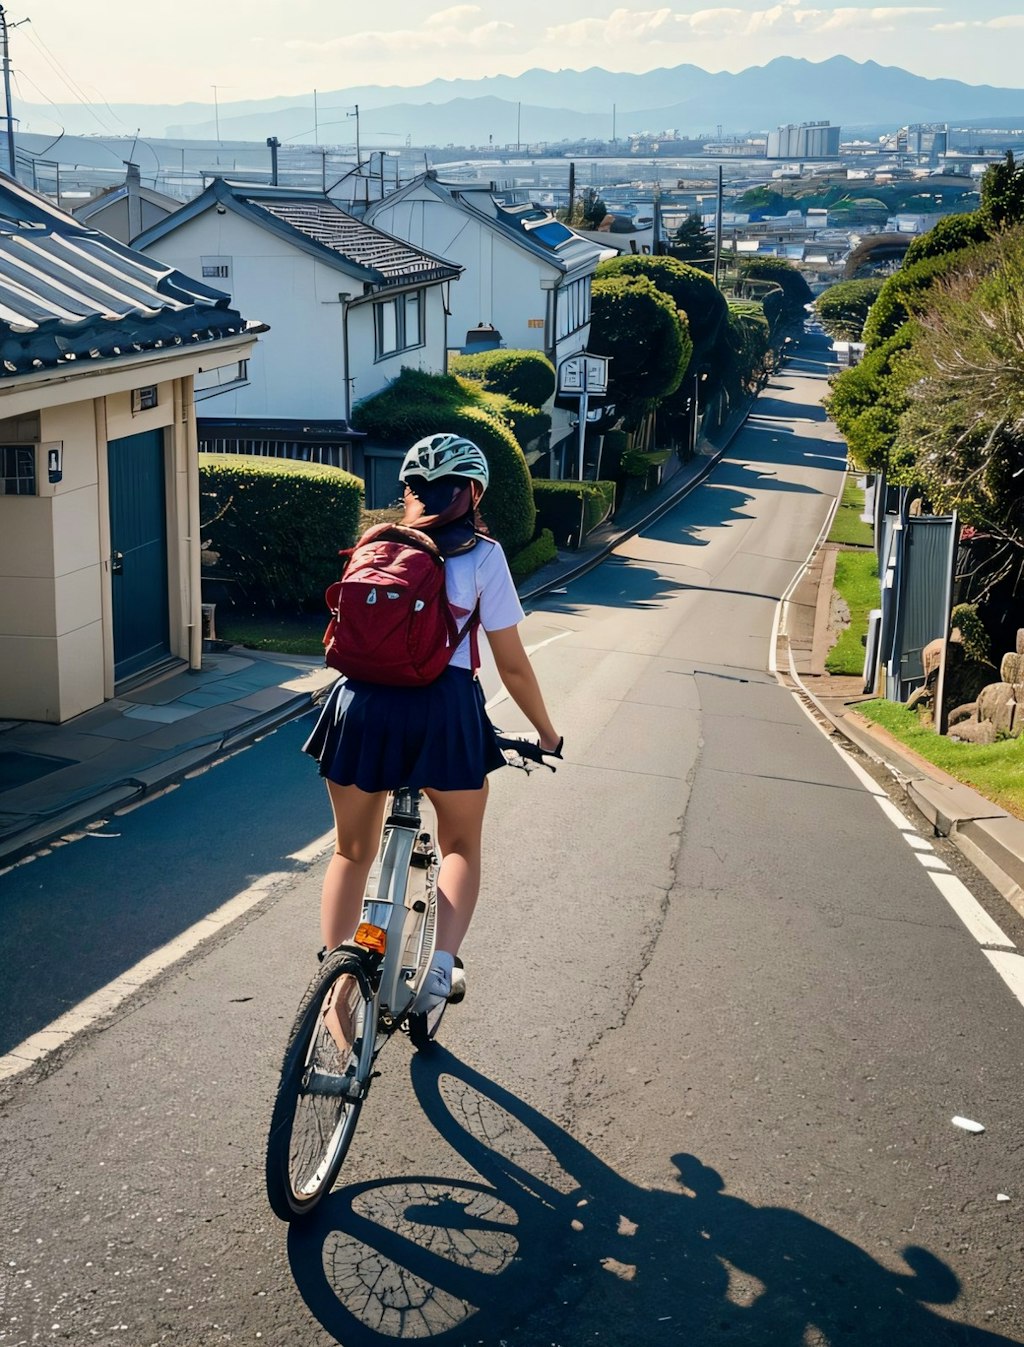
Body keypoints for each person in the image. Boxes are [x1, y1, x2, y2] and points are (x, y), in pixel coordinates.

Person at [303, 432, 562, 1015]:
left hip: (358, 706)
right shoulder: (483, 555)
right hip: (443, 712)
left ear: (409, 492)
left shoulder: (375, 543)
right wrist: (546, 732)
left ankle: (336, 986)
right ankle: (441, 966)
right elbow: (513, 665)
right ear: (472, 492)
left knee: (350, 852)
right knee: (462, 842)